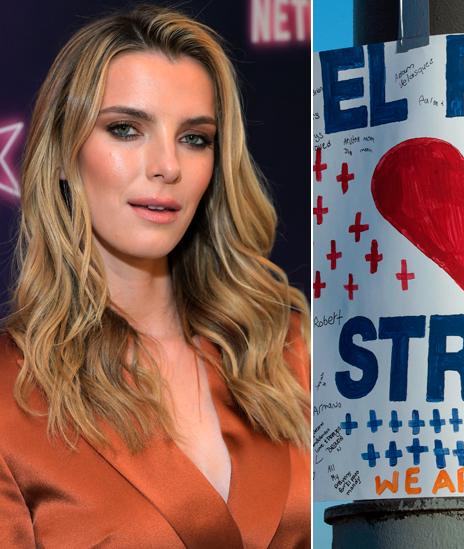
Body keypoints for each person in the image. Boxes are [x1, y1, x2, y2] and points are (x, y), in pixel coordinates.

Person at [0, 6, 310, 547]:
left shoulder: (286, 350)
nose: (167, 165)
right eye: (126, 129)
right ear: (66, 154)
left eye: (195, 138)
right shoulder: (11, 393)